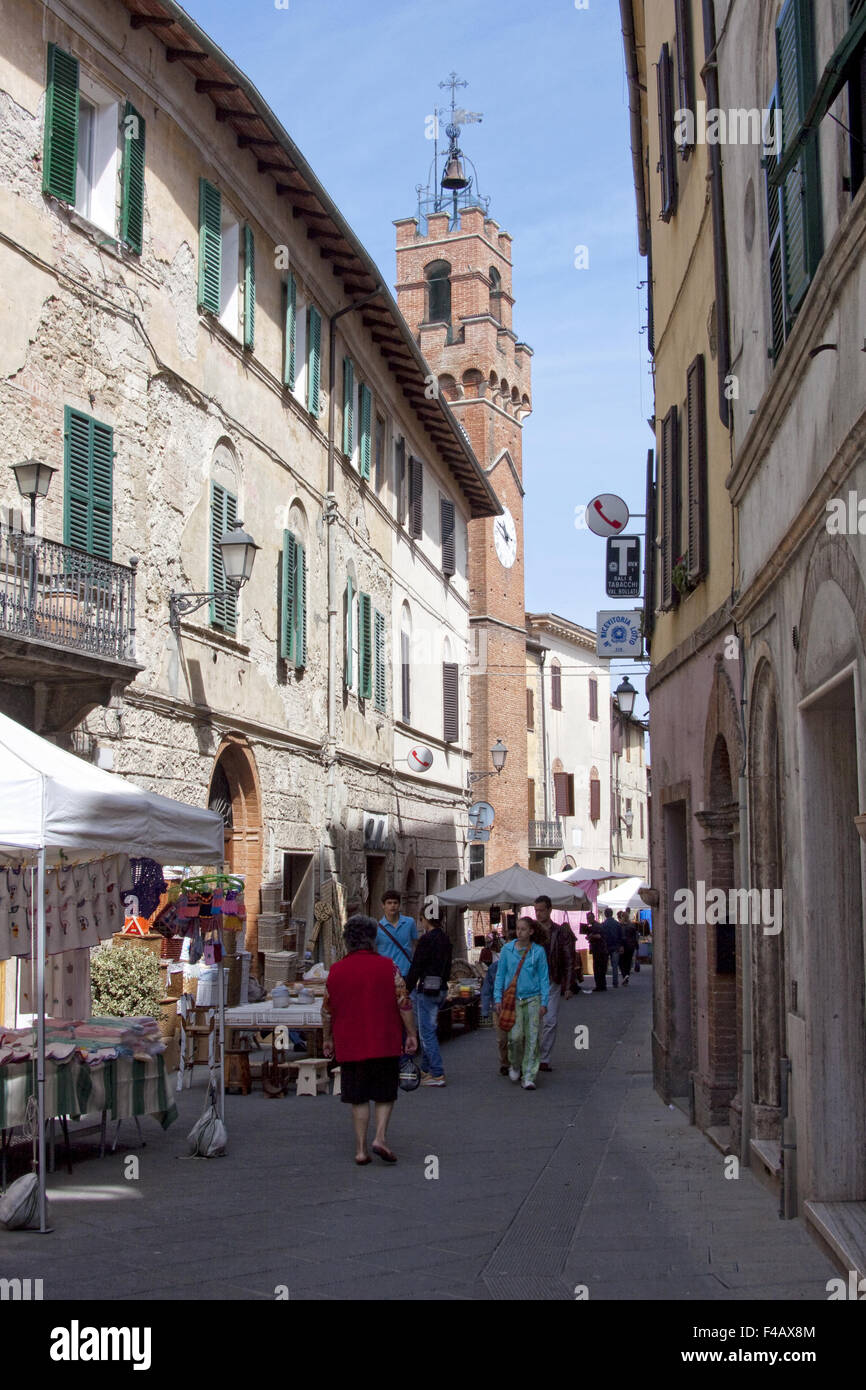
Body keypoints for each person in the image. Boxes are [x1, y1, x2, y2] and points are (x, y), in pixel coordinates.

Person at [322, 915, 418, 1164]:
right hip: (384, 1040)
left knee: (358, 1097)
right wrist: (411, 1034)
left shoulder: (335, 971)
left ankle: (361, 1150)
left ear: (348, 942)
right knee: (385, 1094)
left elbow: (327, 1010)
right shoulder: (390, 968)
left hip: (350, 1043)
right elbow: (404, 1003)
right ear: (373, 940)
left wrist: (327, 1039)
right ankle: (380, 1137)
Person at [493, 915, 549, 1089]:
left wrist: (544, 1002)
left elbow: (543, 978)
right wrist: (497, 997)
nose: (519, 932)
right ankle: (515, 1063)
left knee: (532, 1037)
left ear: (531, 931)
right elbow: (500, 975)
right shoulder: (507, 950)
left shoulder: (538, 951)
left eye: (523, 929)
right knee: (515, 1037)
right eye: (517, 929)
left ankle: (529, 1075)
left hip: (533, 998)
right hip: (513, 999)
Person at [404, 910, 452, 1086]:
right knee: (429, 1029)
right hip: (441, 988)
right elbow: (448, 967)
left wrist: (407, 988)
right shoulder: (445, 939)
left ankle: (438, 1074)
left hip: (427, 990)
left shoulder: (426, 940)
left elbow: (416, 966)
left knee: (426, 1033)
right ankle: (425, 1070)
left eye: (422, 919)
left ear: (426, 920)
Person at [534, 895, 574, 1073]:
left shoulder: (559, 932)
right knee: (533, 1022)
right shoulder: (531, 932)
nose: (538, 913)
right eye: (536, 910)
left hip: (552, 980)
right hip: (532, 982)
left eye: (541, 910)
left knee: (550, 1021)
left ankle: (544, 1058)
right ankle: (531, 1056)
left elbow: (568, 958)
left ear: (550, 910)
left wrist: (568, 985)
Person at [376, 890, 417, 978]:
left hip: (406, 972)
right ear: (383, 905)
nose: (392, 906)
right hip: (386, 973)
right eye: (389, 903)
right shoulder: (377, 927)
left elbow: (416, 945)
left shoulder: (410, 922)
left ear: (399, 905)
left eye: (395, 903)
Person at [600, 907, 624, 988]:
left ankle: (604, 983)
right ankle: (615, 983)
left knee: (604, 965)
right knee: (615, 966)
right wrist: (621, 946)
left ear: (605, 914)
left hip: (606, 947)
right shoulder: (617, 924)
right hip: (616, 947)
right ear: (612, 914)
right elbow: (621, 936)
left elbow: (602, 937)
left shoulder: (603, 925)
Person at [586, 912, 609, 992]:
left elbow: (599, 936)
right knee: (600, 968)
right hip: (599, 950)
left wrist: (591, 936)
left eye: (589, 918)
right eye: (587, 918)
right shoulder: (595, 925)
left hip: (599, 950)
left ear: (593, 917)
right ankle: (602, 985)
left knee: (598, 968)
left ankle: (600, 986)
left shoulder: (596, 926)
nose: (588, 920)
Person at [619, 910, 639, 985]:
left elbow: (621, 937)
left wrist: (620, 945)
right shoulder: (632, 925)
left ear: (622, 917)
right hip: (631, 946)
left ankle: (625, 975)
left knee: (621, 962)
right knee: (628, 961)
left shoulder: (621, 926)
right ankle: (626, 975)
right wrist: (636, 945)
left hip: (623, 946)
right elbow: (635, 937)